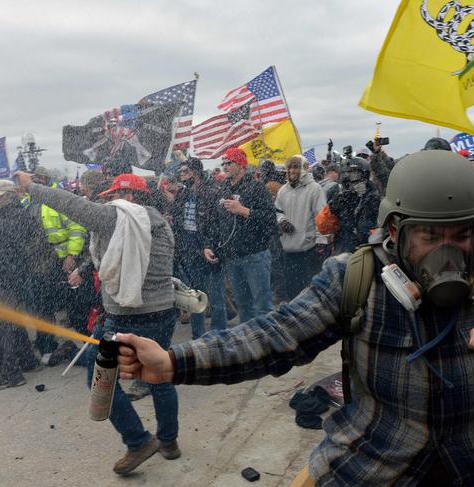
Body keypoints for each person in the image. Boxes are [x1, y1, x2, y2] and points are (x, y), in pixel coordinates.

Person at [114, 150, 474, 486]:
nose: (447, 250)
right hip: (371, 469)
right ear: (394, 231)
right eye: (429, 235)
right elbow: (277, 334)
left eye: (462, 234)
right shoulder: (358, 276)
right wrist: (174, 362)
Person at [14, 170, 180, 475]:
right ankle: (168, 441)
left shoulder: (121, 218)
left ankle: (138, 440)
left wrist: (32, 187)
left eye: (115, 196)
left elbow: (74, 206)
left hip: (129, 317)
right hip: (162, 311)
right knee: (159, 375)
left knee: (100, 378)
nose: (111, 202)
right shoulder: (159, 222)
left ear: (130, 197)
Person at [0, 180, 43, 390]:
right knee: (13, 321)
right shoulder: (19, 215)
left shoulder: (5, 218)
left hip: (2, 277)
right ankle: (28, 361)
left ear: (10, 195)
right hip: (12, 277)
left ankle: (10, 374)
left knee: (3, 327)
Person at [205, 147, 278, 323]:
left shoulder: (256, 187)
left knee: (262, 306)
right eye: (223, 163)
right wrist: (209, 245)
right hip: (232, 256)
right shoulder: (222, 189)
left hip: (255, 255)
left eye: (229, 163)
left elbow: (270, 219)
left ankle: (267, 345)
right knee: (243, 305)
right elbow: (215, 221)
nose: (225, 166)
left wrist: (244, 210)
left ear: (241, 165)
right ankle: (249, 344)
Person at [28, 166, 88, 353]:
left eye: (39, 178)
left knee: (72, 301)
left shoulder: (58, 199)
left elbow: (77, 228)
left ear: (46, 179)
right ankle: (48, 342)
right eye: (34, 178)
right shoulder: (29, 202)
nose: (36, 181)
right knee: (44, 303)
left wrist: (72, 255)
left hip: (63, 260)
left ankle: (85, 341)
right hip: (42, 261)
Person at [170, 157, 227, 337]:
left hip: (209, 250)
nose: (182, 175)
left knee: (216, 298)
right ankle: (198, 337)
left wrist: (208, 245)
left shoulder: (212, 193)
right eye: (180, 172)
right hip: (189, 250)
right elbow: (179, 223)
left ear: (195, 172)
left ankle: (219, 336)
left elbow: (217, 224)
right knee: (194, 298)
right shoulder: (182, 194)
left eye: (185, 172)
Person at [275, 155, 328, 300]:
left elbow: (321, 217)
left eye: (296, 167)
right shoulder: (282, 191)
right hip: (288, 250)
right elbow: (277, 212)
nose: (292, 170)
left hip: (308, 249)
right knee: (292, 292)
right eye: (290, 167)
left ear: (304, 169)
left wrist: (321, 241)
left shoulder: (314, 189)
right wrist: (282, 221)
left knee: (309, 292)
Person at [316, 157, 380, 255]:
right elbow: (323, 226)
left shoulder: (374, 198)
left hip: (367, 252)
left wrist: (365, 234)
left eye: (354, 174)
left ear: (365, 175)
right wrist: (333, 207)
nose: (350, 179)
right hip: (343, 250)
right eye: (347, 175)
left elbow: (379, 231)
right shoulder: (342, 197)